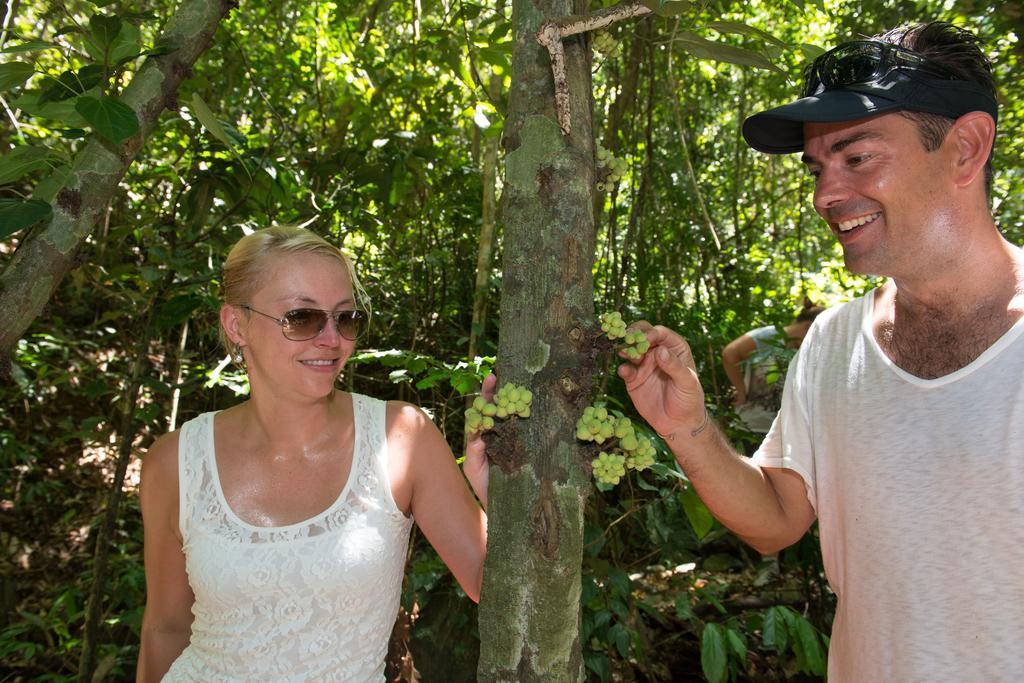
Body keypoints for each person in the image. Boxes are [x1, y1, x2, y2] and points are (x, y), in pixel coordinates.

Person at [618, 22, 1024, 681]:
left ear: (966, 147)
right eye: (817, 167)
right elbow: (777, 519)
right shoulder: (835, 343)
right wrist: (685, 427)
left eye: (856, 157)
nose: (824, 194)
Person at [137, 226, 491, 681]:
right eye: (302, 318)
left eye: (345, 318)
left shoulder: (402, 438)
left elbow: (492, 583)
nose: (331, 339)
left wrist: (496, 498)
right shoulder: (175, 462)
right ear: (236, 324)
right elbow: (164, 629)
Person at [721, 301, 824, 434]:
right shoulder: (769, 336)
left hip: (781, 432)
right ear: (809, 327)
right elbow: (730, 353)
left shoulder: (801, 350)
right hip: (751, 427)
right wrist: (741, 390)